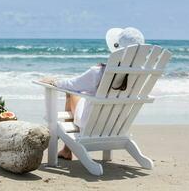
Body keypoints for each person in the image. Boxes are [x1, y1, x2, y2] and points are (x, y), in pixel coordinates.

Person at [40, 27, 145, 160]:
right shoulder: (140, 74)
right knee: (87, 91)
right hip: (116, 125)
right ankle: (66, 150)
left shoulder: (100, 71)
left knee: (72, 93)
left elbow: (71, 85)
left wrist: (53, 81)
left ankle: (67, 150)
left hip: (91, 123)